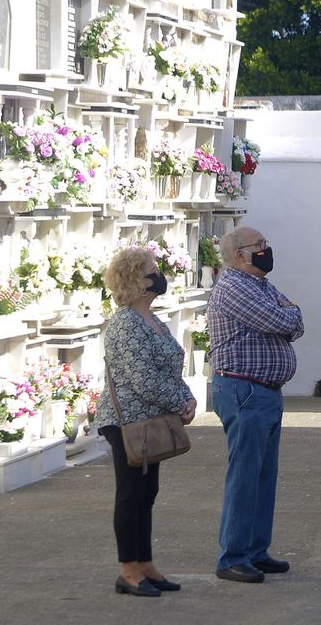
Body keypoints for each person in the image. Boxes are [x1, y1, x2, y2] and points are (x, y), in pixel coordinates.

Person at [100, 245, 197, 598]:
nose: (159, 274)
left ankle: (146, 564)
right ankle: (128, 571)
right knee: (130, 494)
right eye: (151, 270)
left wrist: (186, 396)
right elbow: (142, 378)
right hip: (127, 422)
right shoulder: (126, 323)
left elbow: (170, 367)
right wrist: (179, 401)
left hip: (152, 419)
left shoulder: (151, 319)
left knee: (147, 493)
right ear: (136, 281)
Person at [208, 226, 303, 583]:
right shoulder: (234, 286)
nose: (266, 249)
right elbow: (280, 318)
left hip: (265, 392)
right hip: (244, 391)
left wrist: (288, 314)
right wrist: (287, 313)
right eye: (258, 245)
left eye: (266, 243)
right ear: (238, 256)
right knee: (245, 476)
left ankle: (256, 550)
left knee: (264, 476)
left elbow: (296, 322)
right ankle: (232, 556)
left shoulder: (260, 285)